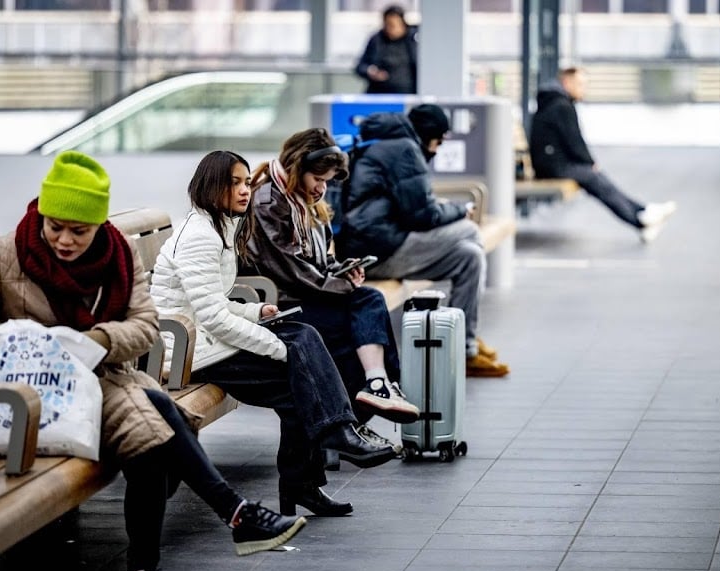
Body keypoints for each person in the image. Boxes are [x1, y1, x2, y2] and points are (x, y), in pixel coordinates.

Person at [0, 151, 305, 571]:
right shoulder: (8, 252)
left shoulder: (117, 255)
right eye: (55, 227)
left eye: (79, 231)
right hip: (30, 395)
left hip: (102, 379)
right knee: (153, 422)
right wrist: (14, 338)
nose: (64, 240)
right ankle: (217, 527)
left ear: (98, 227)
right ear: (43, 216)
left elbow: (145, 325)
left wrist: (98, 341)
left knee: (150, 426)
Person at [149, 150, 398, 517]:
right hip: (187, 351)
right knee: (298, 359)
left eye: (246, 182)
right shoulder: (201, 236)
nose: (244, 190)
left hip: (203, 339)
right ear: (211, 186)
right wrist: (277, 347)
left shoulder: (218, 226)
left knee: (302, 345)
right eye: (234, 183)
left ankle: (315, 466)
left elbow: (212, 304)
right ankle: (332, 442)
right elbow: (212, 318)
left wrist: (255, 312)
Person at [240, 128, 421, 429]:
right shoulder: (268, 202)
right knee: (355, 324)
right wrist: (341, 285)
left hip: (301, 295)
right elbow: (290, 269)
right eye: (317, 179)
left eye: (326, 181)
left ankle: (371, 391)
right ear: (297, 169)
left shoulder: (299, 199)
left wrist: (342, 269)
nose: (321, 188)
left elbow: (316, 261)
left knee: (367, 303)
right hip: (278, 305)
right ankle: (358, 413)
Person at [336, 103, 509, 378]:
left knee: (470, 257)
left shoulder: (383, 142)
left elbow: (410, 208)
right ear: (430, 135)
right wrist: (460, 209)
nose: (437, 149)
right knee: (470, 231)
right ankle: (462, 344)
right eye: (439, 141)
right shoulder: (404, 148)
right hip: (377, 252)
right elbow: (423, 216)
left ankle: (463, 346)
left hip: (372, 245)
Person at [529, 66, 677, 243]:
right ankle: (641, 216)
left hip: (552, 163)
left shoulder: (554, 101)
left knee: (599, 180)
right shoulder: (561, 105)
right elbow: (574, 140)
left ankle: (642, 214)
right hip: (553, 167)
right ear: (567, 83)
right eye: (580, 84)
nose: (583, 89)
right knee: (596, 179)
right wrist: (589, 162)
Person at [354, 4, 418, 95]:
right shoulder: (376, 40)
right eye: (388, 25)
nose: (391, 29)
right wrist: (371, 71)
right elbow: (360, 66)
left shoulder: (413, 40)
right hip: (379, 93)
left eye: (394, 25)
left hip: (408, 93)